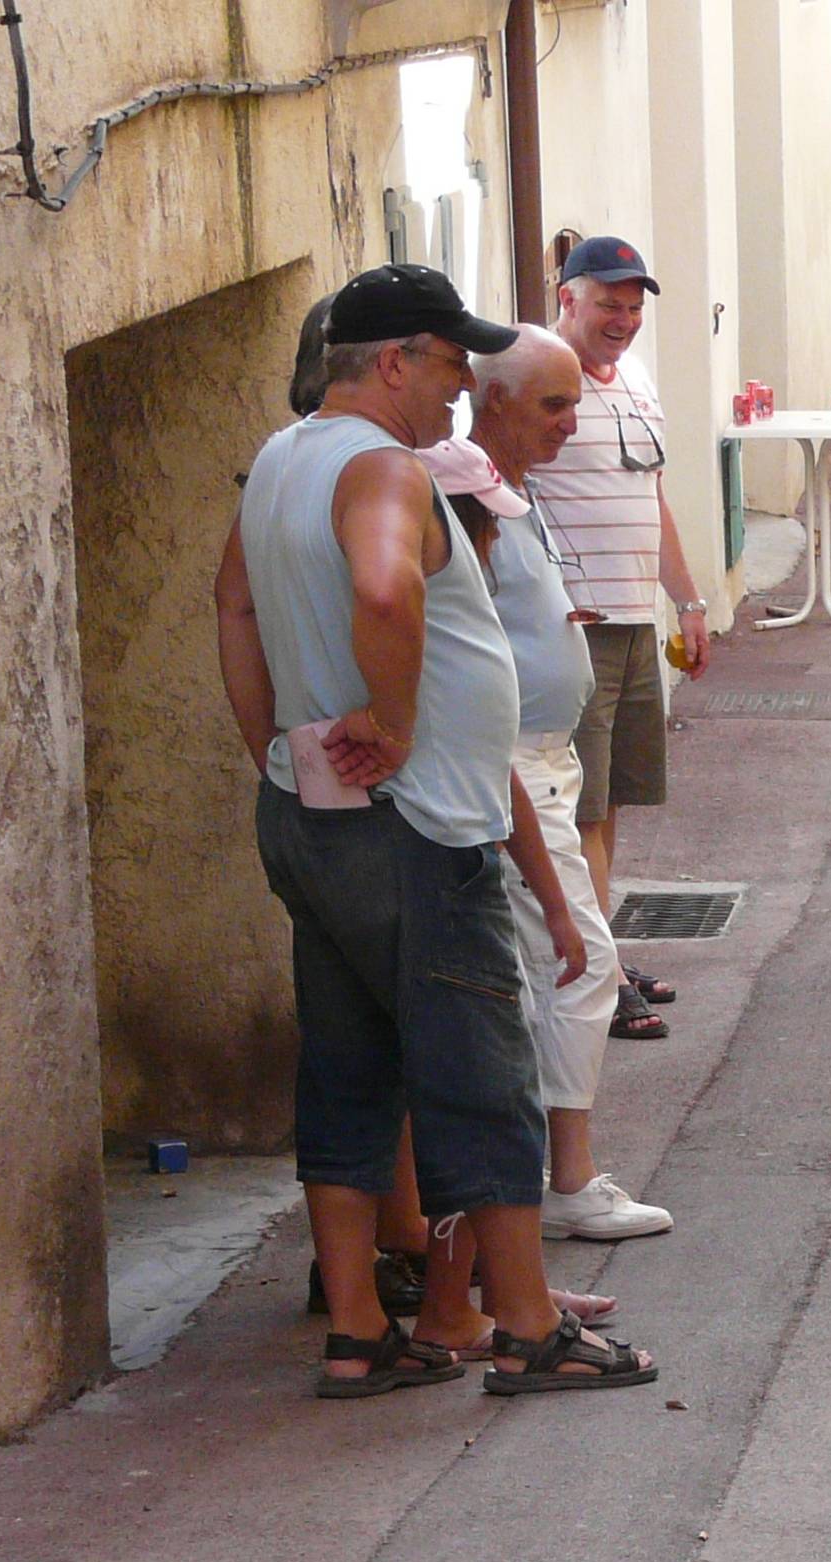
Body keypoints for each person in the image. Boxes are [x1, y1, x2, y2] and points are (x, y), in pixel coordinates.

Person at [214, 262, 655, 1397]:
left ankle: (360, 1329)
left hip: (313, 815)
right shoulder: (381, 469)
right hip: (416, 827)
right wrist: (396, 723)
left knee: (353, 1068)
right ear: (395, 361)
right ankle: (522, 1323)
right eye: (452, 364)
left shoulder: (280, 459)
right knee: (480, 1070)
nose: (463, 389)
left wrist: (270, 739)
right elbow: (379, 587)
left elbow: (233, 601)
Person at [458, 323, 675, 1242]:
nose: (568, 424)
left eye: (574, 405)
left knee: (561, 966)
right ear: (493, 399)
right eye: (553, 406)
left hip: (543, 757)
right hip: (514, 765)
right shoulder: (464, 491)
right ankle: (568, 1182)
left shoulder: (510, 488)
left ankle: (555, 1178)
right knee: (580, 963)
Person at [529, 235, 711, 1042]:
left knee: (615, 803)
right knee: (582, 810)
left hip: (637, 621)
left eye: (634, 306)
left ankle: (604, 948)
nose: (624, 319)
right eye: (608, 302)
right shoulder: (537, 379)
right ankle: (597, 979)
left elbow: (654, 497)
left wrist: (690, 599)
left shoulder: (634, 379)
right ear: (567, 298)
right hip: (579, 629)